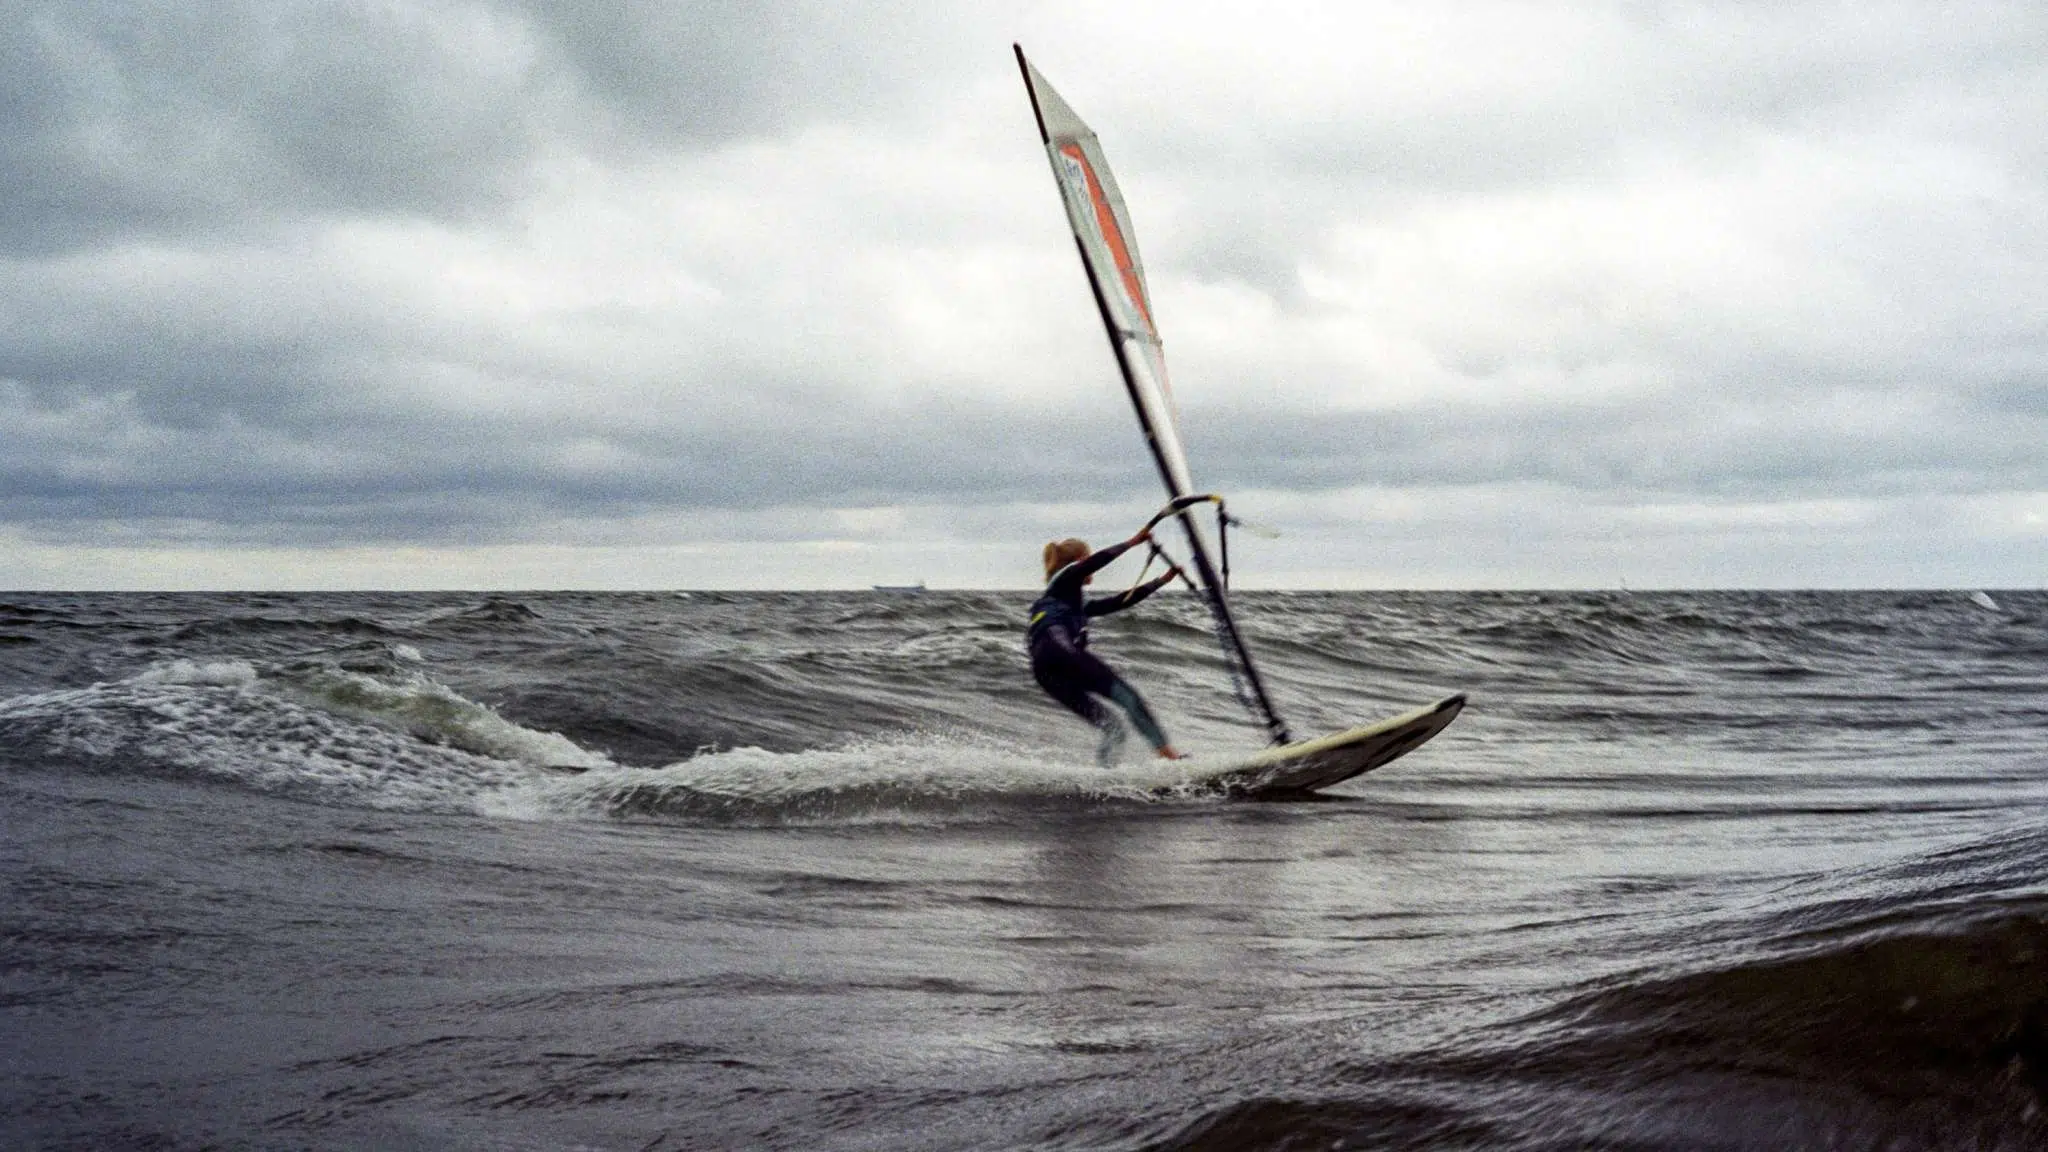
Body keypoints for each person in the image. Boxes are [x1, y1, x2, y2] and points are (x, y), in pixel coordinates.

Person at [1027, 530, 1187, 765]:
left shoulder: (1068, 600)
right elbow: (1094, 563)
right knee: (1129, 698)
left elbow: (1118, 602)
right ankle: (1171, 758)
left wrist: (1160, 581)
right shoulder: (1065, 578)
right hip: (1061, 652)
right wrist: (1131, 542)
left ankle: (1103, 776)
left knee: (1113, 728)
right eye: (1087, 559)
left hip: (1045, 671)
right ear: (1081, 560)